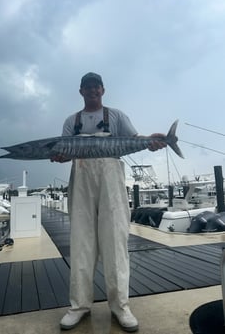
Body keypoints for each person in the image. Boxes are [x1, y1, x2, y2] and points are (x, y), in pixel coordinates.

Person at [51, 72, 166, 332]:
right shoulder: (72, 121)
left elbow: (133, 140)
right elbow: (64, 152)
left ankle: (120, 306)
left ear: (103, 90)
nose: (92, 91)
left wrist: (151, 141)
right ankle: (78, 306)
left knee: (115, 241)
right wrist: (60, 157)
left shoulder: (116, 116)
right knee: (81, 242)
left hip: (111, 181)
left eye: (96, 87)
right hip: (81, 181)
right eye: (87, 87)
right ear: (80, 91)